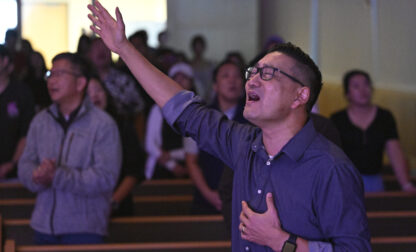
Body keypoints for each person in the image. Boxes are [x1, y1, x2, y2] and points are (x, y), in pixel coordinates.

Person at [88, 2, 371, 251]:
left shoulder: (330, 168)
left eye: (268, 74)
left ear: (301, 95)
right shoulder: (244, 144)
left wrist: (281, 242)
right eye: (253, 72)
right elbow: (183, 109)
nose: (252, 81)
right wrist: (123, 49)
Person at [18, 52, 122, 244]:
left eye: (60, 74)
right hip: (43, 226)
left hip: (85, 228)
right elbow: (24, 164)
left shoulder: (102, 124)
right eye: (50, 74)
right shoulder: (41, 121)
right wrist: (36, 175)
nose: (52, 81)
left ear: (80, 83)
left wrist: (57, 176)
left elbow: (106, 177)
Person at [330, 70, 416, 193]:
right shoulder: (337, 119)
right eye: (356, 86)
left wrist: (406, 184)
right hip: (345, 181)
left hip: (374, 179)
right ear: (347, 93)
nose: (363, 90)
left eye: (366, 84)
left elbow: (394, 151)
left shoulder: (384, 117)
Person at [185, 60, 248, 217]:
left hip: (245, 202)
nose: (232, 81)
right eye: (225, 76)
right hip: (206, 197)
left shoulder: (254, 118)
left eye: (237, 77)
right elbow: (191, 161)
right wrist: (208, 193)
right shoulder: (200, 117)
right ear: (215, 85)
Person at [87, 76, 145, 216]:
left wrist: (112, 203)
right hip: (83, 208)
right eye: (88, 93)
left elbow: (134, 171)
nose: (95, 95)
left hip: (118, 204)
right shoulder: (76, 128)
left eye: (99, 90)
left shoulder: (122, 125)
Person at [144, 62, 193, 180]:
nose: (180, 81)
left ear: (191, 83)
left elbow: (195, 146)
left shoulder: (197, 109)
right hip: (162, 164)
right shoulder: (158, 108)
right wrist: (171, 165)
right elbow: (150, 144)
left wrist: (171, 155)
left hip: (189, 165)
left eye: (184, 78)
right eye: (176, 78)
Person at [0, 45, 35, 180]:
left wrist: (11, 164)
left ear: (5, 61)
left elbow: (26, 133)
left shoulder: (21, 93)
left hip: (15, 170)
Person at [87, 37, 144, 117]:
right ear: (88, 54)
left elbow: (139, 106)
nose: (101, 50)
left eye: (105, 47)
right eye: (96, 47)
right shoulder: (83, 80)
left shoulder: (123, 79)